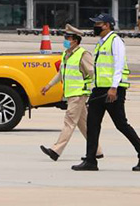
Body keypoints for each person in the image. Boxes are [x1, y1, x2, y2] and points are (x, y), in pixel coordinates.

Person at [72, 13, 140, 172]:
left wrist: (114, 88)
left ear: (107, 25)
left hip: (112, 90)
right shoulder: (101, 43)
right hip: (99, 89)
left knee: (121, 124)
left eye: (99, 24)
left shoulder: (115, 41)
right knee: (92, 124)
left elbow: (118, 65)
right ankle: (90, 160)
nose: (96, 26)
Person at [39, 24, 103, 161]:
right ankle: (97, 151)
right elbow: (61, 73)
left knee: (69, 121)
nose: (65, 40)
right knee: (84, 125)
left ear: (75, 40)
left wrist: (87, 88)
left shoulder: (83, 54)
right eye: (65, 37)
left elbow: (92, 72)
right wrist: (49, 85)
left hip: (78, 94)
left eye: (68, 37)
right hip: (71, 94)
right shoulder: (67, 55)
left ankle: (56, 150)